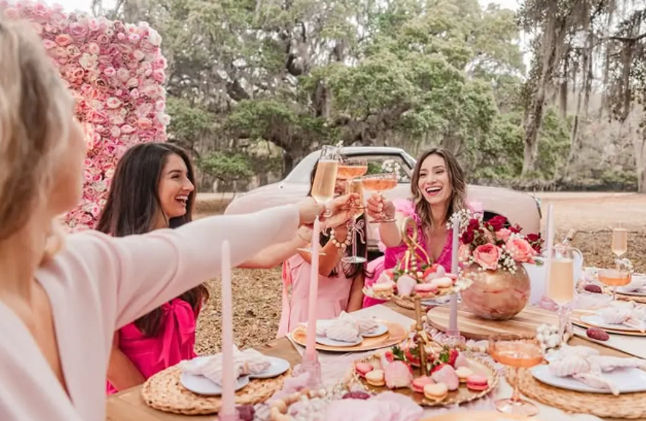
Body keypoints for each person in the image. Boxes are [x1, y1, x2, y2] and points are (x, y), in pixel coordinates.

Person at [0, 20, 352, 420]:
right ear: (22, 135)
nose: (85, 138)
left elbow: (198, 245)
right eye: (72, 115)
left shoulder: (74, 265)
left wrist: (300, 214)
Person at [363, 148, 467, 306]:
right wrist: (387, 217)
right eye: (423, 174)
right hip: (394, 304)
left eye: (439, 172)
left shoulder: (465, 221)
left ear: (454, 178)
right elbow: (392, 239)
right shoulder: (406, 213)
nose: (430, 180)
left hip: (442, 311)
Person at [277, 162, 368, 336]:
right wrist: (341, 233)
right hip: (305, 325)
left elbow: (358, 283)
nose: (337, 183)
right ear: (317, 183)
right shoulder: (304, 222)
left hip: (341, 326)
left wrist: (349, 327)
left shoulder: (356, 223)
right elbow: (324, 265)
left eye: (343, 177)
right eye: (331, 176)